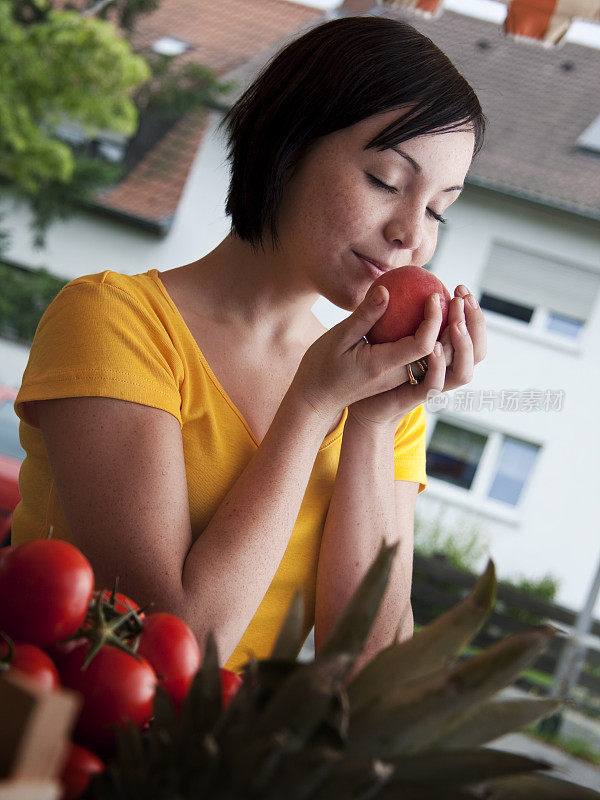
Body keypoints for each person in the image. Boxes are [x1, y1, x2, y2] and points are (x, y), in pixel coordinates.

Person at [11, 15, 487, 678]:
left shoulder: (370, 386)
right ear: (287, 145)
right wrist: (310, 409)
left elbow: (370, 669)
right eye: (385, 180)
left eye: (439, 209)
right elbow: (171, 645)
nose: (412, 232)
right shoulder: (112, 319)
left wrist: (375, 424)